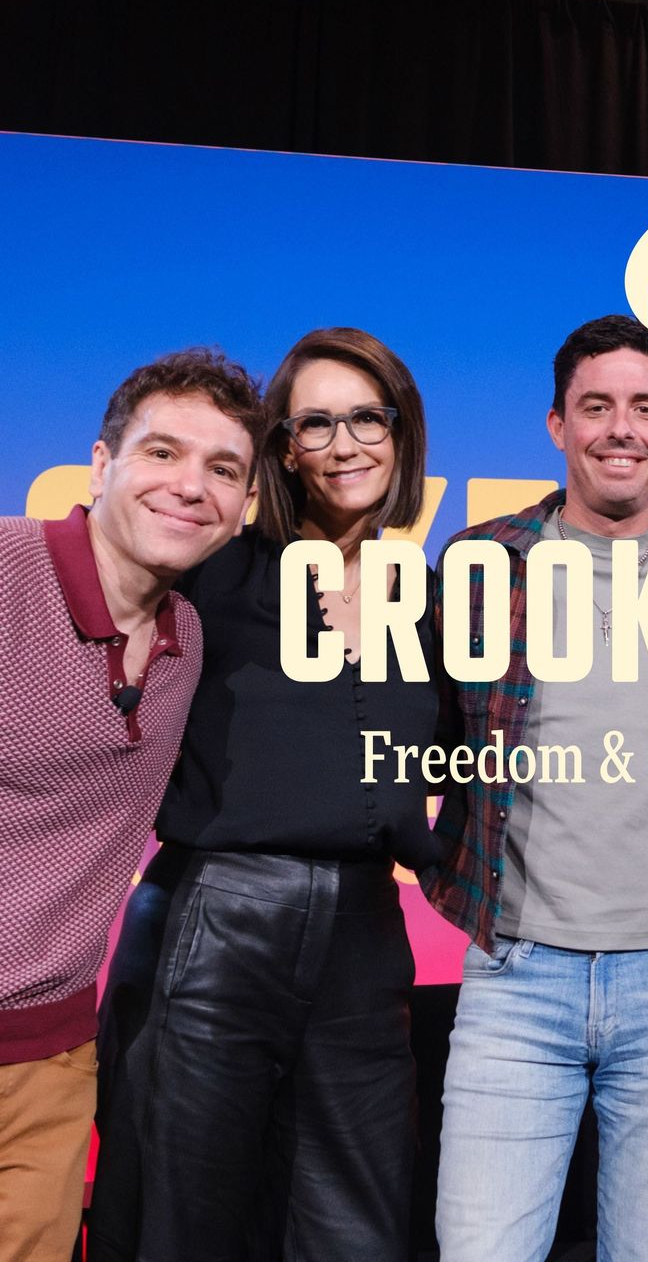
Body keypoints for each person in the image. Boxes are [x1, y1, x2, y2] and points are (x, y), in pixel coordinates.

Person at [88, 327, 442, 1262]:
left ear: (402, 434)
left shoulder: (431, 595)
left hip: (366, 943)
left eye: (368, 418)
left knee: (357, 1234)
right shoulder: (208, 569)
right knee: (180, 1227)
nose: (344, 443)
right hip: (214, 925)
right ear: (282, 449)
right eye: (315, 423)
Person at [422, 315, 648, 1262]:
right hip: (516, 982)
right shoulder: (480, 568)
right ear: (558, 425)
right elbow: (415, 736)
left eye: (646, 407)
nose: (622, 429)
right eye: (597, 406)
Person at [0, 349, 260, 1262]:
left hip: (54, 1058)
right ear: (101, 465)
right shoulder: (7, 570)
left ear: (245, 505)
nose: (190, 486)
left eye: (222, 469)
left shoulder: (189, 641)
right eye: (162, 453)